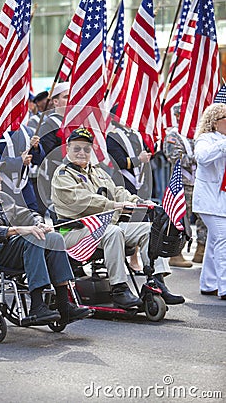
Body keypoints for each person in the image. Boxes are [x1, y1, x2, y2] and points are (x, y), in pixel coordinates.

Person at [51, 128, 185, 308]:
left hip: (103, 226)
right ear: (67, 149)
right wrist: (111, 204)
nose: (82, 153)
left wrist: (139, 202)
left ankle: (156, 281)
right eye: (77, 148)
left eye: (86, 149)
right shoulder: (62, 175)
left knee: (149, 229)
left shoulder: (97, 171)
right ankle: (119, 288)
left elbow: (118, 192)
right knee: (113, 232)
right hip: (75, 230)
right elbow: (80, 199)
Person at [0, 158, 92, 324]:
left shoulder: (0, 198)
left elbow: (27, 213)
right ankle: (37, 306)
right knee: (33, 238)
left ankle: (64, 304)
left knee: (54, 238)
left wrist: (40, 223)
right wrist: (17, 230)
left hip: (10, 246)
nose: (0, 178)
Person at [106, 105, 153, 273]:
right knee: (129, 219)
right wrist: (138, 160)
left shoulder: (136, 134)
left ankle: (139, 258)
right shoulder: (112, 136)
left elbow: (147, 152)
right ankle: (130, 257)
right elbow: (118, 161)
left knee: (143, 217)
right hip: (123, 181)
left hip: (141, 180)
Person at [163, 103, 207, 266]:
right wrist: (202, 157)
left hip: (200, 183)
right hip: (181, 183)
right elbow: (176, 158)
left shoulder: (197, 134)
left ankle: (201, 249)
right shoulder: (173, 136)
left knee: (203, 217)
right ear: (177, 116)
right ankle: (176, 254)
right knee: (179, 219)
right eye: (181, 114)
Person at [192, 103, 226, 300]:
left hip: (221, 199)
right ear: (215, 122)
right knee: (223, 239)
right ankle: (224, 287)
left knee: (215, 241)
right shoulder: (205, 139)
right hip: (210, 201)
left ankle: (209, 283)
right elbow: (203, 158)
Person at [0, 125, 45, 211]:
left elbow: (39, 159)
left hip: (25, 187)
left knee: (32, 218)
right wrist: (19, 162)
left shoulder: (27, 131)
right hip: (2, 186)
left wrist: (36, 148)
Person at [37, 82, 70, 212]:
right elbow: (49, 154)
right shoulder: (49, 124)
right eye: (66, 97)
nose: (70, 100)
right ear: (55, 102)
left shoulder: (76, 122)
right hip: (59, 176)